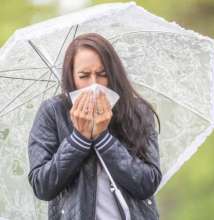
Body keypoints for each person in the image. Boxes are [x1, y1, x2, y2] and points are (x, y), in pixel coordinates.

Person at [27, 32, 162, 220]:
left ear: (113, 74)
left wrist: (103, 137)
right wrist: (78, 139)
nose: (94, 84)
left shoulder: (136, 110)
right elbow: (42, 186)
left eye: (102, 74)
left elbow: (148, 183)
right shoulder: (52, 112)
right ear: (71, 77)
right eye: (84, 76)